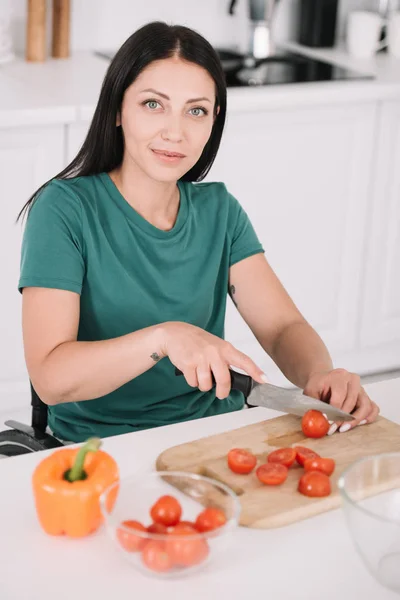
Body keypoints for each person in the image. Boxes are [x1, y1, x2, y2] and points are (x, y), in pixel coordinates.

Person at [17, 21, 379, 443]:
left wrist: (321, 374)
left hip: (213, 432)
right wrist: (164, 338)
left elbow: (281, 326)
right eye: (153, 104)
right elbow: (51, 377)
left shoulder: (219, 211)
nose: (175, 132)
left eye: (196, 110)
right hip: (101, 446)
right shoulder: (64, 210)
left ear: (213, 120)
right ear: (117, 109)